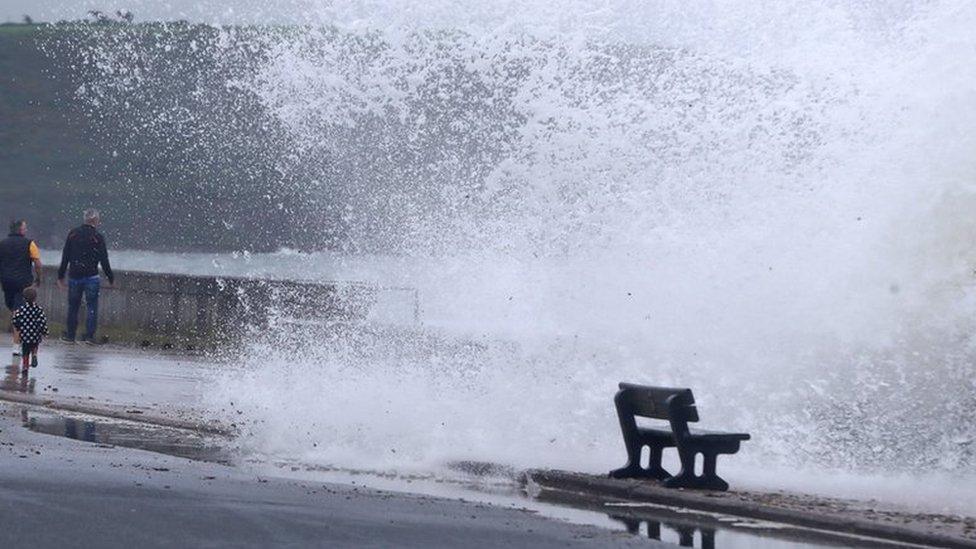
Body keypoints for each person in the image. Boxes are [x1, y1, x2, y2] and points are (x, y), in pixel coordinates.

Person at [58, 209, 114, 344]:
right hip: (91, 276)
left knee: (73, 306)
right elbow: (104, 259)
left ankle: (70, 336)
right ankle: (89, 336)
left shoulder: (73, 234)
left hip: (74, 276)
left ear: (85, 219)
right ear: (96, 221)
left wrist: (60, 276)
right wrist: (110, 276)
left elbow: (66, 256)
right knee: (92, 307)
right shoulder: (98, 237)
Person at [0, 219, 43, 356]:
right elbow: (37, 262)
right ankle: (16, 345)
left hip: (6, 282)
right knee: (18, 312)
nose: (26, 230)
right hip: (23, 283)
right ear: (20, 230)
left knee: (13, 307)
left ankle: (17, 338)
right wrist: (38, 278)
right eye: (25, 227)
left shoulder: (3, 243)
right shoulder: (30, 243)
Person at [12, 286, 48, 374]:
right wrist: (45, 331)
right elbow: (43, 320)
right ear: (35, 298)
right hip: (35, 334)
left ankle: (25, 365)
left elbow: (15, 319)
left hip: (25, 334)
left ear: (24, 298)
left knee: (25, 350)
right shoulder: (39, 309)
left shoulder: (21, 309)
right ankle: (34, 355)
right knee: (34, 346)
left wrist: (18, 327)